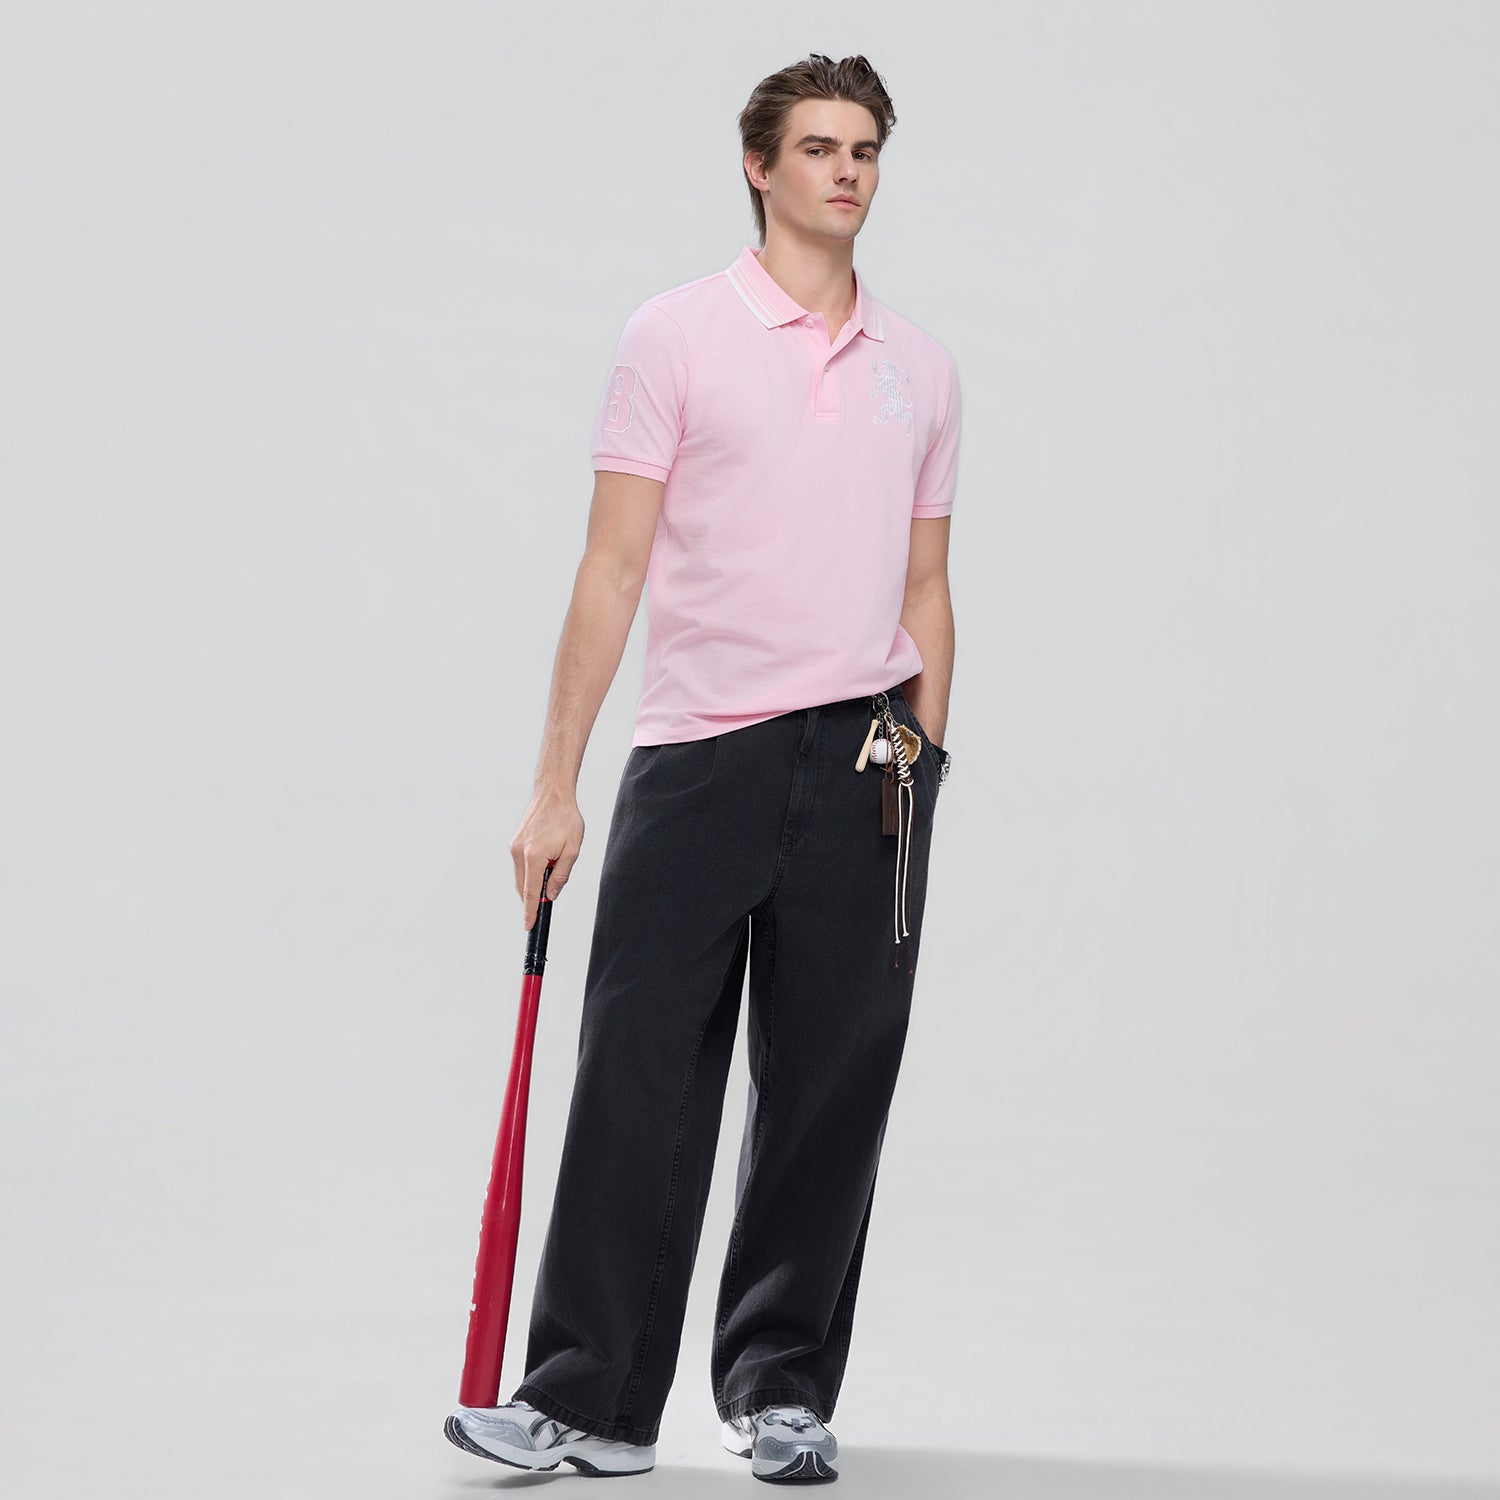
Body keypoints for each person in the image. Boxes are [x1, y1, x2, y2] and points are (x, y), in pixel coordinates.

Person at [446, 51, 960, 1484]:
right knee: (641, 1076)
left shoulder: (920, 368)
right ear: (759, 166)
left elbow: (927, 585)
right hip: (698, 752)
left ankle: (782, 1391)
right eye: (819, 148)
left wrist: (920, 760)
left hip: (868, 763)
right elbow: (612, 569)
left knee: (830, 1086)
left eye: (864, 149)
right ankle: (591, 1402)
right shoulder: (674, 336)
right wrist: (556, 783)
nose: (845, 171)